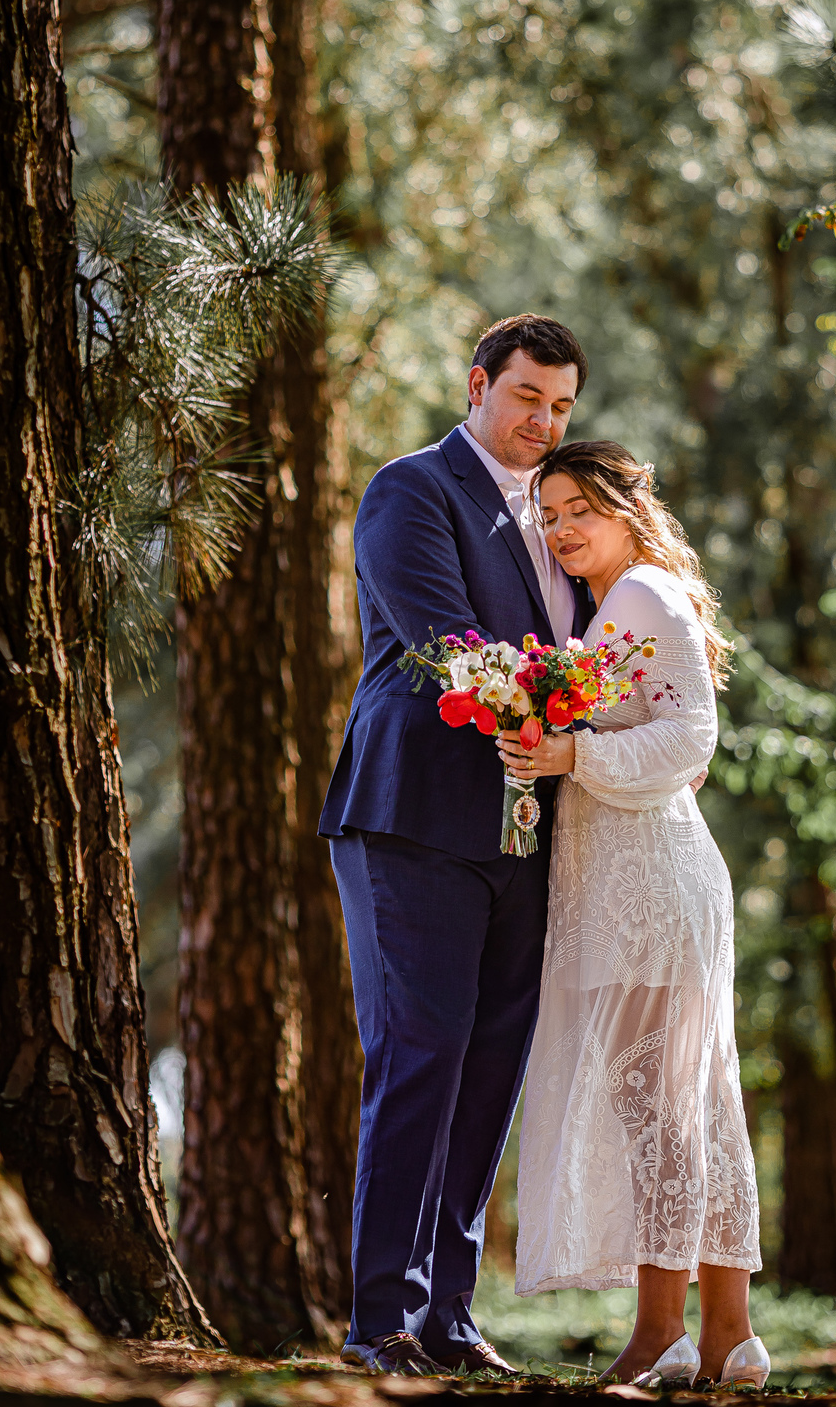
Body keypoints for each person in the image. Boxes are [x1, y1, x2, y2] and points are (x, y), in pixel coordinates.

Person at [319, 314, 592, 1377]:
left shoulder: (563, 517)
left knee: (490, 1069)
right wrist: (570, 704)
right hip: (414, 815)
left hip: (527, 830)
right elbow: (446, 644)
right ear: (478, 386)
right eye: (527, 397)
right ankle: (381, 1320)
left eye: (561, 406)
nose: (543, 421)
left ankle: (450, 1320)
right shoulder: (412, 488)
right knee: (419, 1058)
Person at [499, 441, 769, 1390]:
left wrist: (571, 755)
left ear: (625, 509)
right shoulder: (616, 604)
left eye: (581, 509)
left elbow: (693, 736)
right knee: (688, 1103)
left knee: (657, 1104)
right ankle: (729, 1338)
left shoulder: (642, 595)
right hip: (632, 872)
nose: (563, 529)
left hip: (648, 882)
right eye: (549, 515)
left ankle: (660, 1336)